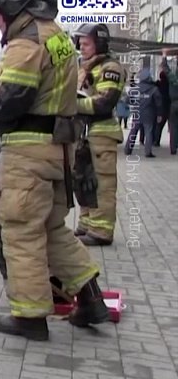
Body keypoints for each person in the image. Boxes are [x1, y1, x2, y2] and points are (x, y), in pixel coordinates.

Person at [0, 0, 108, 341]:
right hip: (58, 149)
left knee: (20, 232)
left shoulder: (24, 40)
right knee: (51, 228)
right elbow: (31, 76)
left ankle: (29, 317)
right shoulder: (52, 33)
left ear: (9, 7)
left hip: (28, 151)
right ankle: (90, 299)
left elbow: (9, 102)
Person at [70, 23, 125, 246]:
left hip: (102, 133)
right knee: (83, 181)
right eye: (80, 44)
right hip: (83, 134)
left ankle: (102, 231)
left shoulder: (110, 68)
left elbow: (105, 102)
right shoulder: (83, 67)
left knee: (102, 183)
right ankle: (86, 224)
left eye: (87, 44)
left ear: (99, 43)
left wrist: (72, 105)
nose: (82, 48)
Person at [124, 68, 164, 158]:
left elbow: (127, 100)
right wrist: (159, 114)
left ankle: (128, 150)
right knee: (148, 132)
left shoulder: (135, 88)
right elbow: (159, 103)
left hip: (136, 112)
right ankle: (148, 152)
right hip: (149, 114)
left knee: (133, 131)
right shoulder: (154, 89)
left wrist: (135, 103)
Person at [161, 55, 178, 155]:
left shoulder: (173, 78)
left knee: (173, 126)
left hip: (174, 103)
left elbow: (166, 69)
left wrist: (164, 56)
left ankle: (173, 148)